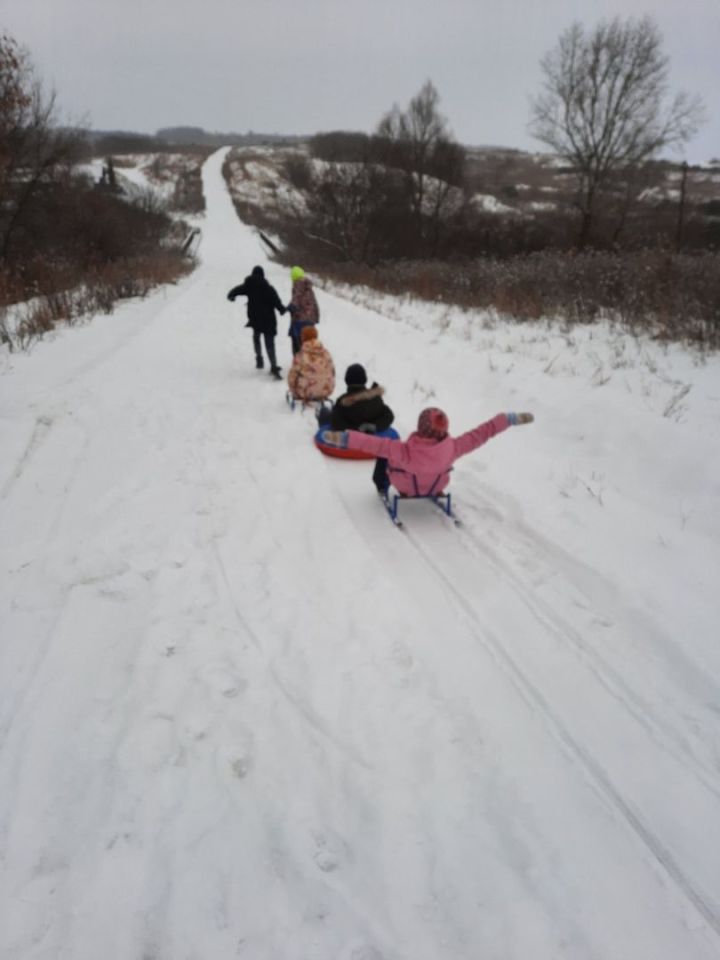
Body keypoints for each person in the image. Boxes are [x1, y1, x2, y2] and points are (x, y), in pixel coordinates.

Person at [322, 407, 534, 495]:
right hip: (436, 485)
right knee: (388, 450)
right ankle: (511, 419)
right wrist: (507, 420)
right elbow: (481, 433)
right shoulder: (453, 447)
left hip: (407, 486)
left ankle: (381, 486)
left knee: (385, 451)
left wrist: (343, 437)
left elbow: (370, 443)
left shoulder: (403, 450)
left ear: (421, 427)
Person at [322, 363, 395, 492]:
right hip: (373, 436)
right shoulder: (376, 398)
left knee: (325, 413)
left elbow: (336, 424)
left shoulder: (343, 401)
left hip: (354, 440)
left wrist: (356, 429)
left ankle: (321, 412)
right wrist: (375, 426)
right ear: (365, 380)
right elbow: (388, 415)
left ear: (346, 381)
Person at [227, 265, 286, 378]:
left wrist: (231, 296)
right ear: (263, 275)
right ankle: (273, 366)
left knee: (256, 337)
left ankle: (259, 358)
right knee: (269, 343)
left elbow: (235, 291)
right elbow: (277, 303)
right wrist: (283, 310)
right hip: (269, 319)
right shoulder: (269, 288)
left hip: (255, 319)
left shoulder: (248, 286)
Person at [287, 325, 335, 405]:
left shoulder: (301, 355)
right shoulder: (326, 353)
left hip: (306, 392)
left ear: (303, 338)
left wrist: (293, 390)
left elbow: (293, 376)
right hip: (326, 390)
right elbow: (333, 372)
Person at [287, 265, 319, 355]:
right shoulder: (308, 287)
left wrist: (291, 307)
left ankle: (299, 364)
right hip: (310, 319)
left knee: (297, 343)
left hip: (300, 320)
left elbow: (296, 297)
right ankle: (312, 362)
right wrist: (316, 317)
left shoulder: (298, 284)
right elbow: (313, 302)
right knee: (310, 343)